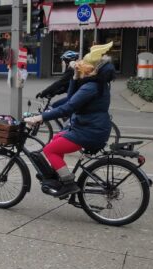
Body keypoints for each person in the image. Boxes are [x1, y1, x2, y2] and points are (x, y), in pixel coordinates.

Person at [24, 42, 116, 198]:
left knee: (49, 150)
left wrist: (40, 117)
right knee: (57, 138)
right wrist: (74, 78)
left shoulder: (90, 87)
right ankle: (59, 174)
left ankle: (68, 184)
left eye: (82, 66)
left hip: (89, 131)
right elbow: (71, 98)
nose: (79, 67)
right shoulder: (96, 84)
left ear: (90, 70)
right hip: (89, 127)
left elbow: (67, 108)